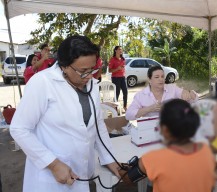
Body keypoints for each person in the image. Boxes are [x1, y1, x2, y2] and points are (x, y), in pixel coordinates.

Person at [10, 35, 120, 192]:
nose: (89, 76)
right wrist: (53, 164)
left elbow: (97, 125)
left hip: (81, 172)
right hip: (50, 178)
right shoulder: (42, 82)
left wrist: (110, 159)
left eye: (92, 69)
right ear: (64, 66)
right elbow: (19, 129)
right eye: (83, 71)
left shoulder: (91, 85)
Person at [120, 99, 215, 192]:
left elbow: (128, 179)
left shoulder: (153, 158)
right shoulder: (208, 151)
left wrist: (119, 169)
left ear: (164, 130)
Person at [125, 65, 198, 120]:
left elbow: (194, 100)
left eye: (162, 76)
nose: (161, 79)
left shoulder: (172, 88)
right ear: (149, 80)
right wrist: (150, 108)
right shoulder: (141, 95)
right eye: (157, 77)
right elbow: (128, 115)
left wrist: (189, 93)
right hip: (150, 130)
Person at [109, 46, 128, 110]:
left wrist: (122, 69)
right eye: (119, 49)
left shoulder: (123, 59)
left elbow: (123, 68)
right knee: (117, 93)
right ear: (115, 50)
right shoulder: (112, 59)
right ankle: (115, 108)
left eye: (121, 49)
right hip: (115, 78)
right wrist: (117, 69)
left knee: (125, 92)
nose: (121, 50)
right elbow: (110, 70)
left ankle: (125, 107)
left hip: (122, 77)